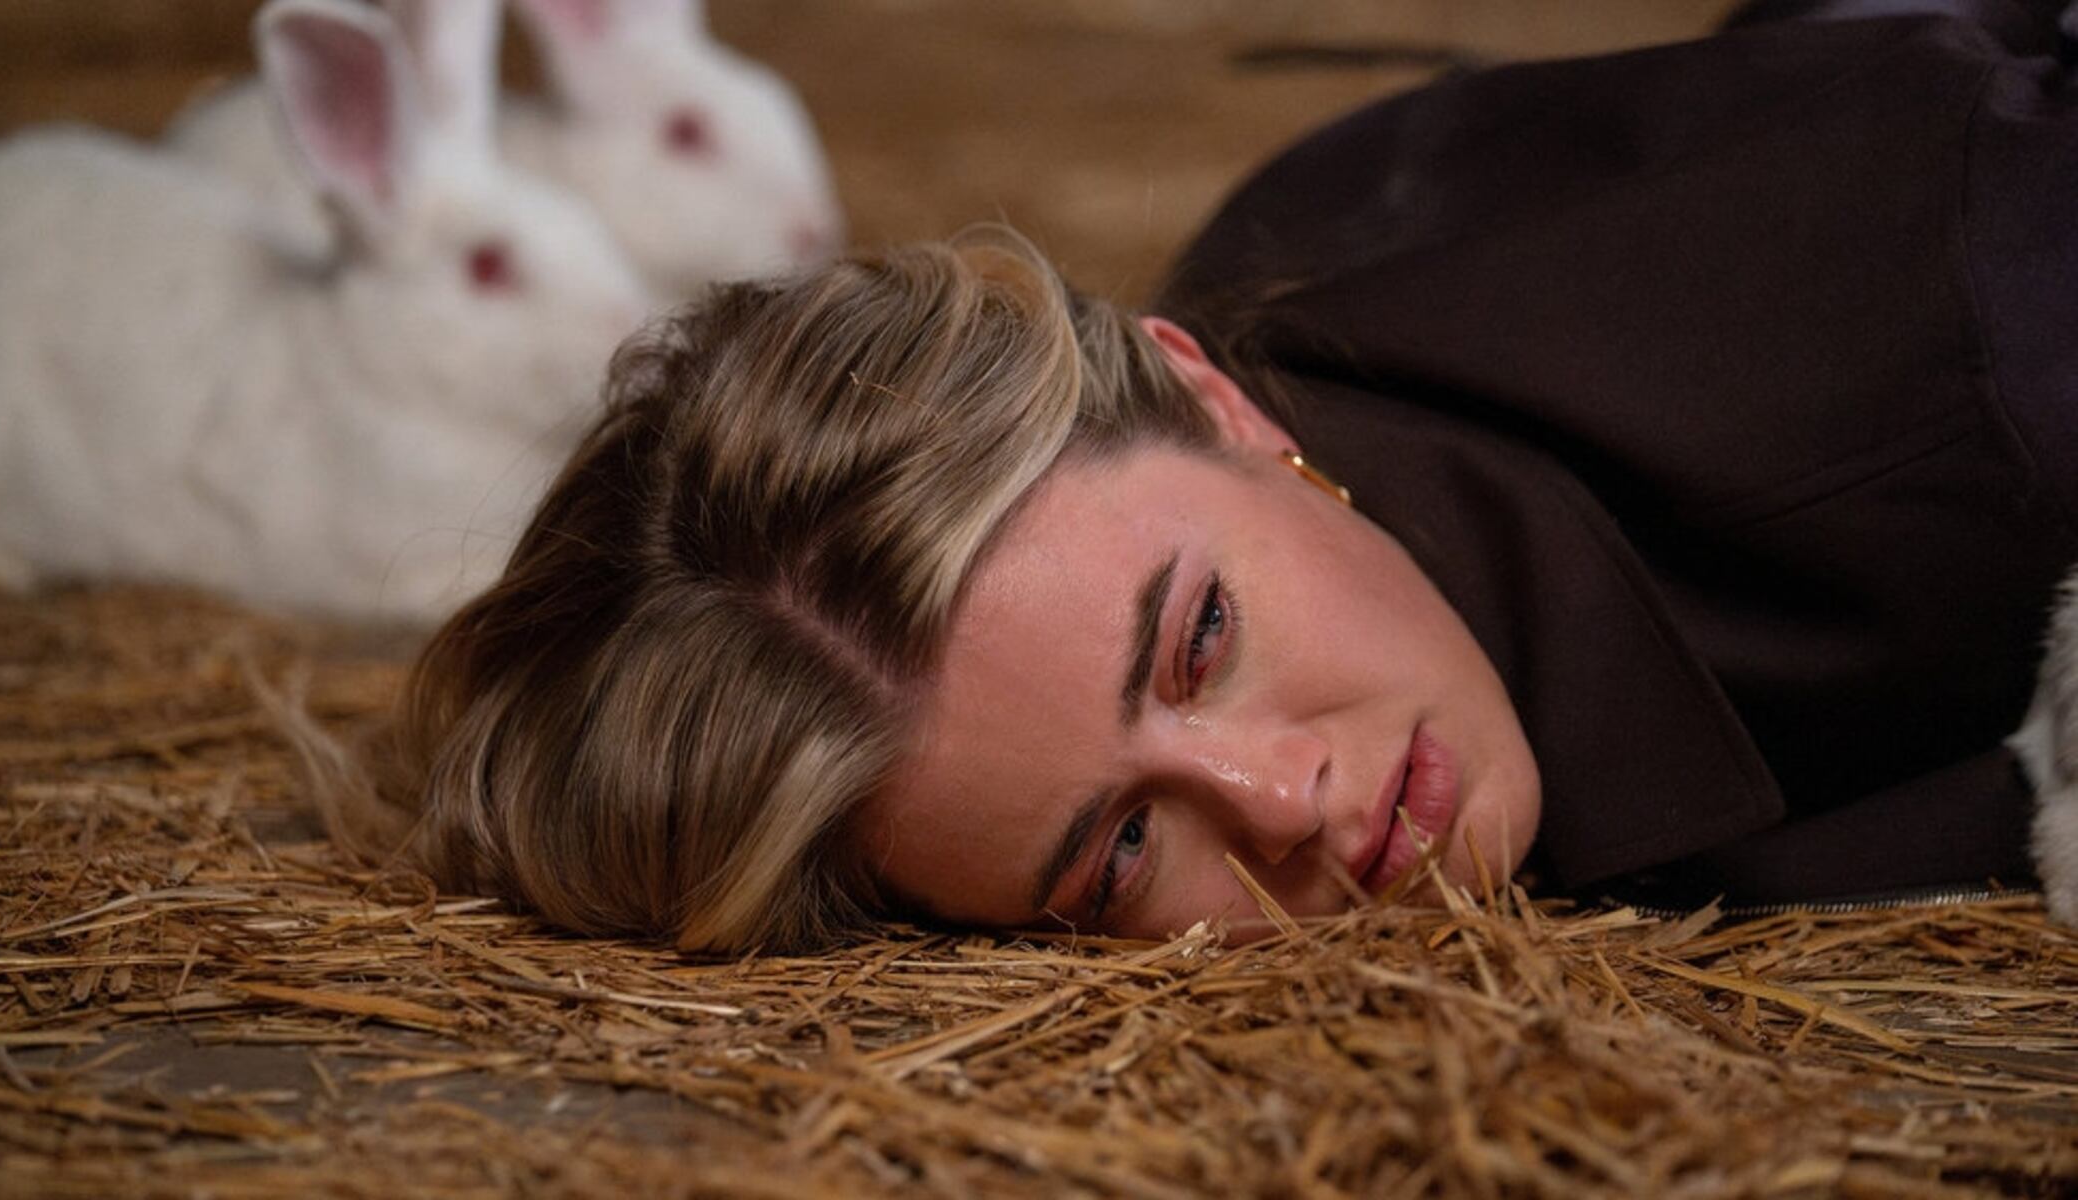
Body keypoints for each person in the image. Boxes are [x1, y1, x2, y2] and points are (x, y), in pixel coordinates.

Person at [323, 0, 2077, 952]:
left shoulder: (1962, 362)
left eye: (1202, 637)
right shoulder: (1259, 345)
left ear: (1215, 398)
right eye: (1119, 854)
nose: (1283, 800)